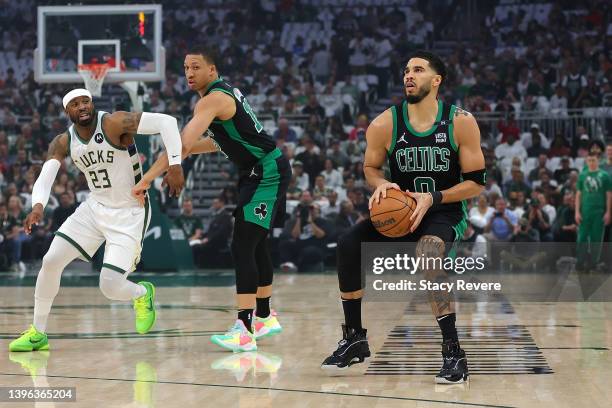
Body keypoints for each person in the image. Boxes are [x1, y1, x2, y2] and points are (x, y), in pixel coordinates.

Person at [320, 51, 485, 384]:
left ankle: (453, 351)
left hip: (444, 211)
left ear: (436, 80)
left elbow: (475, 184)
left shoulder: (460, 122)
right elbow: (370, 167)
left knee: (429, 250)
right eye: (407, 70)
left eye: (419, 70)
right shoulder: (385, 123)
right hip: (402, 211)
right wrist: (382, 184)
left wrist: (435, 197)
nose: (409, 75)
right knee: (349, 244)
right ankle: (354, 337)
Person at [132, 46, 291, 352]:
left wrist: (154, 175)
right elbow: (207, 144)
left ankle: (245, 328)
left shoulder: (214, 99)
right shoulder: (218, 98)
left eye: (195, 67)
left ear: (212, 71)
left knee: (243, 243)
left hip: (266, 171)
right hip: (260, 169)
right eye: (185, 68)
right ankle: (265, 316)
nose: (189, 73)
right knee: (254, 242)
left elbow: (183, 142)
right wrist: (161, 169)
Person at [9, 88, 185, 352]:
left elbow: (167, 122)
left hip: (130, 212)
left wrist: (175, 164)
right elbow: (46, 175)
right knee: (51, 260)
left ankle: (142, 293)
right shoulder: (62, 141)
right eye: (75, 104)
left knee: (110, 286)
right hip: (94, 208)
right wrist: (37, 206)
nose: (82, 107)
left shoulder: (114, 123)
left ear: (92, 104)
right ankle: (38, 333)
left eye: (86, 101)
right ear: (66, 111)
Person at [575, 152, 612, 272]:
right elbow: (578, 195)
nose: (591, 163)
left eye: (593, 160)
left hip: (599, 211)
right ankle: (580, 262)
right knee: (581, 238)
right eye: (589, 160)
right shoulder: (582, 175)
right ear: (586, 161)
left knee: (596, 239)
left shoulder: (605, 175)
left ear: (598, 161)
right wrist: (576, 212)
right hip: (585, 211)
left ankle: (593, 264)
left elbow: (608, 195)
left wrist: (608, 212)